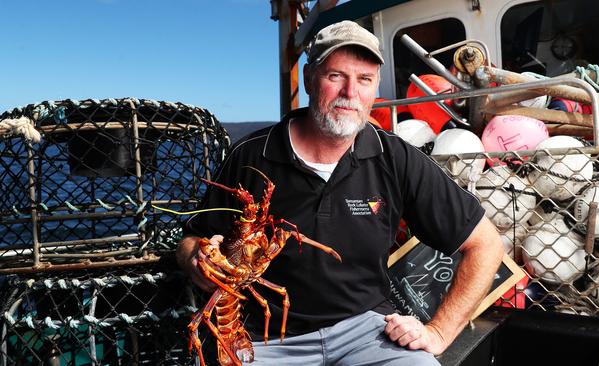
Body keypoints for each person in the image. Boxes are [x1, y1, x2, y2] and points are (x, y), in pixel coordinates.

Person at [177, 20, 504, 365]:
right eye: (335, 76)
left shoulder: (394, 156)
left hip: (367, 333)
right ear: (308, 78)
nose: (350, 92)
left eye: (364, 80)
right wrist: (196, 258)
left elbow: (486, 244)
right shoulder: (251, 155)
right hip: (265, 341)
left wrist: (438, 332)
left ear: (375, 86)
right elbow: (191, 240)